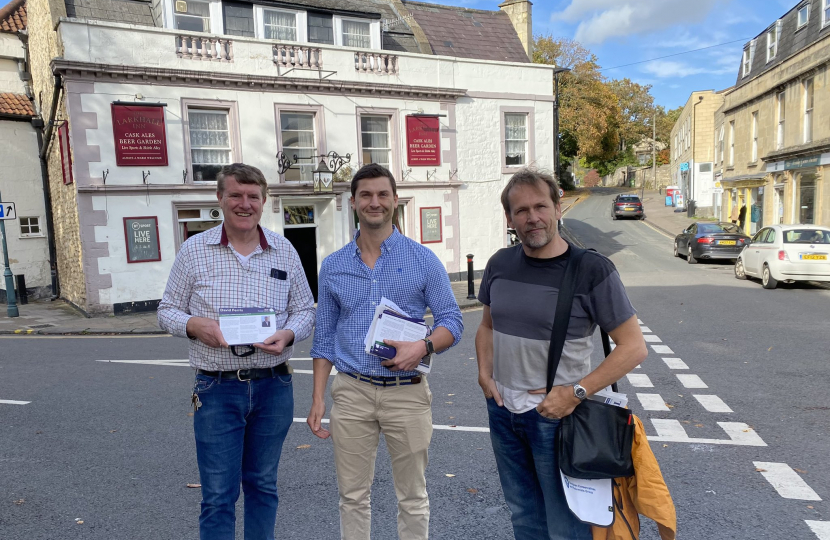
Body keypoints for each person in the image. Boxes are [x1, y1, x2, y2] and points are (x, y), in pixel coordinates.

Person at [475, 168, 647, 540]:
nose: (532, 217)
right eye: (521, 210)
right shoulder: (499, 265)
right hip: (504, 411)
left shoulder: (591, 270)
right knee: (523, 514)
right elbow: (486, 325)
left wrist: (575, 393)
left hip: (558, 416)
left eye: (540, 206)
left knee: (567, 524)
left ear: (558, 207)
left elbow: (634, 347)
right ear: (509, 218)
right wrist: (485, 375)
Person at [158, 163, 315, 540]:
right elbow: (167, 310)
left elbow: (306, 309)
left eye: (253, 197)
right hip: (216, 389)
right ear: (220, 199)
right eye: (236, 196)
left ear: (264, 201)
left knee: (263, 486)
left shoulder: (285, 250)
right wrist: (194, 325)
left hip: (273, 386)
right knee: (217, 495)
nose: (245, 204)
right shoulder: (195, 250)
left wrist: (289, 334)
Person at [307, 163, 463, 540]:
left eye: (382, 195)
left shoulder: (423, 260)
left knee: (412, 495)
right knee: (352, 496)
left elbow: (452, 322)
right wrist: (316, 399)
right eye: (366, 195)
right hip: (352, 392)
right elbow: (324, 336)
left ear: (395, 200)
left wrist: (422, 347)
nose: (374, 202)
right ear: (353, 202)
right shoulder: (333, 266)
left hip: (406, 392)